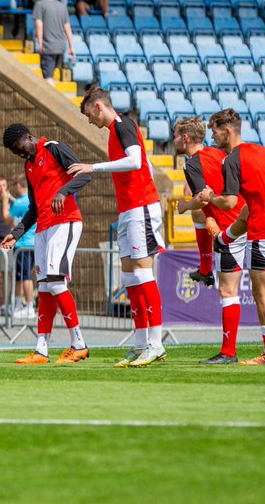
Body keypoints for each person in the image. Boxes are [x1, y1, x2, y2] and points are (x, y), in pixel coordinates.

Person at [68, 87, 167, 368]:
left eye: (90, 115)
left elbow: (136, 161)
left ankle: (156, 344)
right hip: (128, 209)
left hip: (141, 206)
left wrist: (93, 167)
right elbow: (143, 161)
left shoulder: (123, 124)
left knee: (143, 271)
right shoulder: (116, 131)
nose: (90, 122)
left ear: (99, 106)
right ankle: (139, 343)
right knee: (129, 276)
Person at [196, 109, 265, 365]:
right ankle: (224, 240)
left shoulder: (232, 159)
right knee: (246, 213)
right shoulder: (263, 151)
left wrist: (210, 197)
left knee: (261, 292)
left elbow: (229, 201)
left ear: (227, 131)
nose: (212, 136)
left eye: (214, 131)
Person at [0, 124, 91, 365]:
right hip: (43, 228)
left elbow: (84, 174)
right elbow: (34, 209)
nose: (21, 154)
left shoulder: (55, 148)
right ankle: (41, 350)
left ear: (30, 137)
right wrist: (16, 234)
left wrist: (63, 192)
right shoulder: (28, 165)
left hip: (65, 222)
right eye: (16, 153)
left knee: (56, 280)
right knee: (45, 287)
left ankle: (79, 345)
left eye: (21, 149)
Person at [172, 117, 248, 364]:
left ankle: (228, 352)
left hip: (231, 229)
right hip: (243, 217)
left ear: (185, 138)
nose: (172, 140)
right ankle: (205, 269)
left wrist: (184, 206)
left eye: (175, 135)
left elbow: (201, 199)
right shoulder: (216, 154)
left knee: (228, 290)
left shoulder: (192, 164)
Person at [2, 175, 37, 319]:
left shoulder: (22, 202)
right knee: (20, 275)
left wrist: (5, 200)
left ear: (18, 185)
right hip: (31, 242)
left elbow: (6, 218)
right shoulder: (31, 200)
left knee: (25, 276)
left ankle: (29, 306)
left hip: (24, 243)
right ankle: (18, 304)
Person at [33, 0, 74, 81]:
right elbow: (67, 27)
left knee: (48, 78)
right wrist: (71, 47)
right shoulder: (62, 6)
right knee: (51, 74)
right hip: (60, 47)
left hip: (48, 46)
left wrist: (40, 44)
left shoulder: (40, 4)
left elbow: (39, 24)